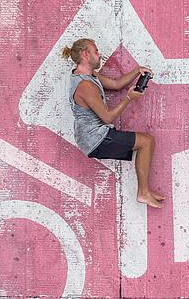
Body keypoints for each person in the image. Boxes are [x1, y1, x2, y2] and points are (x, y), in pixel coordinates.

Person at [61, 38, 165, 208]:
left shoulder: (88, 76)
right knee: (146, 142)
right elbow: (107, 117)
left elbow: (116, 85)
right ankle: (143, 192)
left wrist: (138, 71)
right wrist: (129, 98)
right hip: (95, 138)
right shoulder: (85, 85)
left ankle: (144, 191)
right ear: (85, 54)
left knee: (146, 142)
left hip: (94, 136)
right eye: (95, 51)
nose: (99, 54)